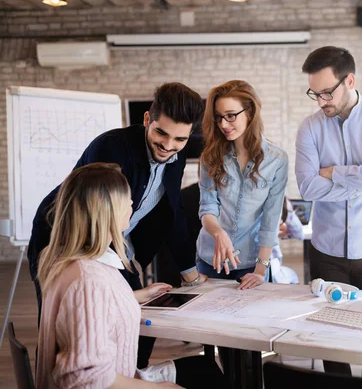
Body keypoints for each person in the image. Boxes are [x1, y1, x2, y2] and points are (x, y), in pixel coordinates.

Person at [28, 82, 207, 368]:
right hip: (62, 237)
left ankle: (129, 375)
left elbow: (171, 211)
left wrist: (190, 275)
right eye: (161, 132)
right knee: (62, 323)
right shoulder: (112, 147)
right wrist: (126, 271)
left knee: (142, 318)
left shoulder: (176, 155)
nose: (168, 145)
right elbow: (99, 215)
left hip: (111, 241)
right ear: (147, 119)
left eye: (180, 139)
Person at [35, 163, 227, 389]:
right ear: (109, 210)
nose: (132, 204)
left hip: (121, 374)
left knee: (206, 370)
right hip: (112, 382)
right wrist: (158, 388)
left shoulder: (77, 262)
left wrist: (135, 295)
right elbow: (88, 379)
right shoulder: (88, 280)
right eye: (126, 199)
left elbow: (94, 310)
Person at [295, 46, 362, 378]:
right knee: (332, 342)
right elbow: (308, 189)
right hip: (326, 251)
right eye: (315, 94)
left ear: (350, 80)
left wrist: (333, 171)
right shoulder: (310, 127)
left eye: (327, 92)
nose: (321, 102)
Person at [196, 79, 288, 289]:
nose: (224, 125)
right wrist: (219, 233)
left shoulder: (276, 159)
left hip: (252, 263)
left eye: (231, 116)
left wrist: (261, 269)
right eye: (219, 118)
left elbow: (271, 218)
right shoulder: (210, 157)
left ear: (250, 112)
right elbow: (208, 207)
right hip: (211, 259)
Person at [271, 197, 304, 284]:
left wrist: (275, 233)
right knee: (293, 275)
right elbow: (299, 233)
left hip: (240, 263)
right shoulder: (280, 200)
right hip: (269, 266)